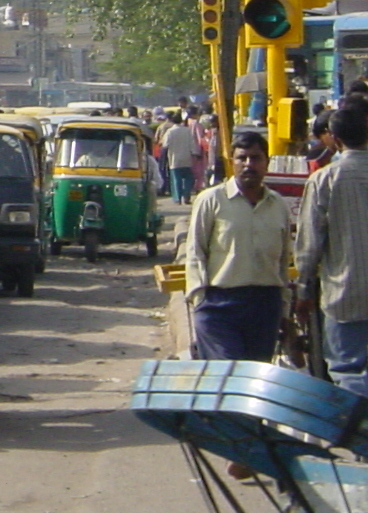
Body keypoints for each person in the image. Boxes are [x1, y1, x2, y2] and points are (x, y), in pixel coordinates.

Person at [186, 132, 291, 363]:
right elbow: (195, 252)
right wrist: (199, 299)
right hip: (219, 305)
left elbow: (283, 260)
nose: (248, 164)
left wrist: (283, 307)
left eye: (255, 158)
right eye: (242, 158)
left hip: (265, 306)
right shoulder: (211, 200)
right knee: (229, 372)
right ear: (231, 161)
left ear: (267, 163)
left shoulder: (278, 205)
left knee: (254, 376)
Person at [297, 100, 368, 396]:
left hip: (344, 297)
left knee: (349, 374)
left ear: (335, 140)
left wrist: (302, 291)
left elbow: (309, 244)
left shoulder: (324, 179)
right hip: (345, 298)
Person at [157, 111, 198, 204]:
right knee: (188, 178)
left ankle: (178, 198)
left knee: (176, 179)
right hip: (186, 158)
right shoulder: (187, 130)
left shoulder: (170, 132)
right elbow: (193, 144)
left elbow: (165, 145)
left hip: (174, 159)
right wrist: (195, 154)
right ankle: (187, 197)